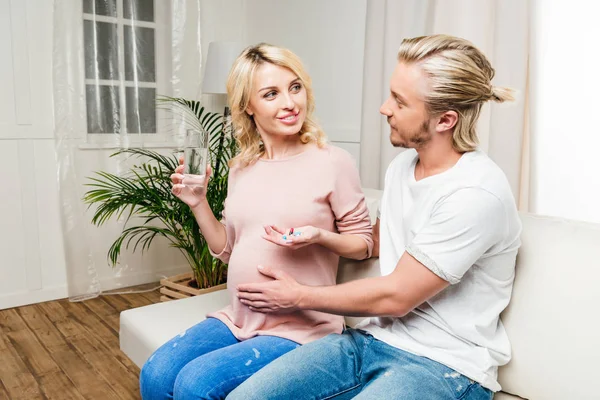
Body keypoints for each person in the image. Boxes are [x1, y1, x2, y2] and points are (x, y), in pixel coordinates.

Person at [230, 34, 522, 400]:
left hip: (444, 364)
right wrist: (319, 235)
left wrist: (298, 295)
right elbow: (379, 244)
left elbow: (396, 297)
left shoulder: (476, 193)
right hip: (372, 338)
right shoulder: (403, 166)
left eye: (399, 101)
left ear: (445, 119)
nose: (385, 108)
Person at [139, 43, 373, 400]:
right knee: (156, 373)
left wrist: (320, 236)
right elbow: (228, 250)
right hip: (239, 317)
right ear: (248, 105)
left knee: (195, 385)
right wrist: (198, 203)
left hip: (301, 327)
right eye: (271, 94)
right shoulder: (241, 167)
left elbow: (363, 245)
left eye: (295, 88)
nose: (290, 103)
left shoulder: (332, 161)